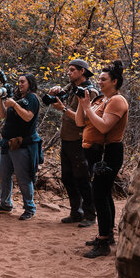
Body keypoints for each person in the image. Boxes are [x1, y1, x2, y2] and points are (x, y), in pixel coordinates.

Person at [75, 60, 129, 258]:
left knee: (99, 195)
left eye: (103, 79)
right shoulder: (103, 100)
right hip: (99, 153)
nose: (99, 82)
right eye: (98, 79)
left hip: (111, 153)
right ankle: (107, 235)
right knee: (104, 194)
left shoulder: (117, 100)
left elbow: (105, 127)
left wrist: (88, 107)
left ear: (114, 81)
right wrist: (83, 104)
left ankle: (103, 241)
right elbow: (80, 122)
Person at [48, 59, 99, 227]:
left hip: (80, 140)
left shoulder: (89, 92)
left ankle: (90, 215)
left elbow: (84, 120)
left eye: (72, 70)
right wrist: (55, 91)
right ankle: (76, 212)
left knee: (83, 178)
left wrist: (63, 109)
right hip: (67, 139)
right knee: (67, 177)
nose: (68, 73)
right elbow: (60, 96)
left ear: (82, 71)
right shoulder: (71, 89)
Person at [0, 74, 42, 221]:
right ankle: (5, 204)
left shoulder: (32, 98)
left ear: (30, 83)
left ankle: (29, 208)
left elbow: (28, 117)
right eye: (18, 82)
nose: (20, 84)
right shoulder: (16, 98)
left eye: (22, 81)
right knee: (4, 174)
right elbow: (2, 115)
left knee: (23, 178)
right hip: (7, 143)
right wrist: (1, 98)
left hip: (22, 144)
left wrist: (14, 105)